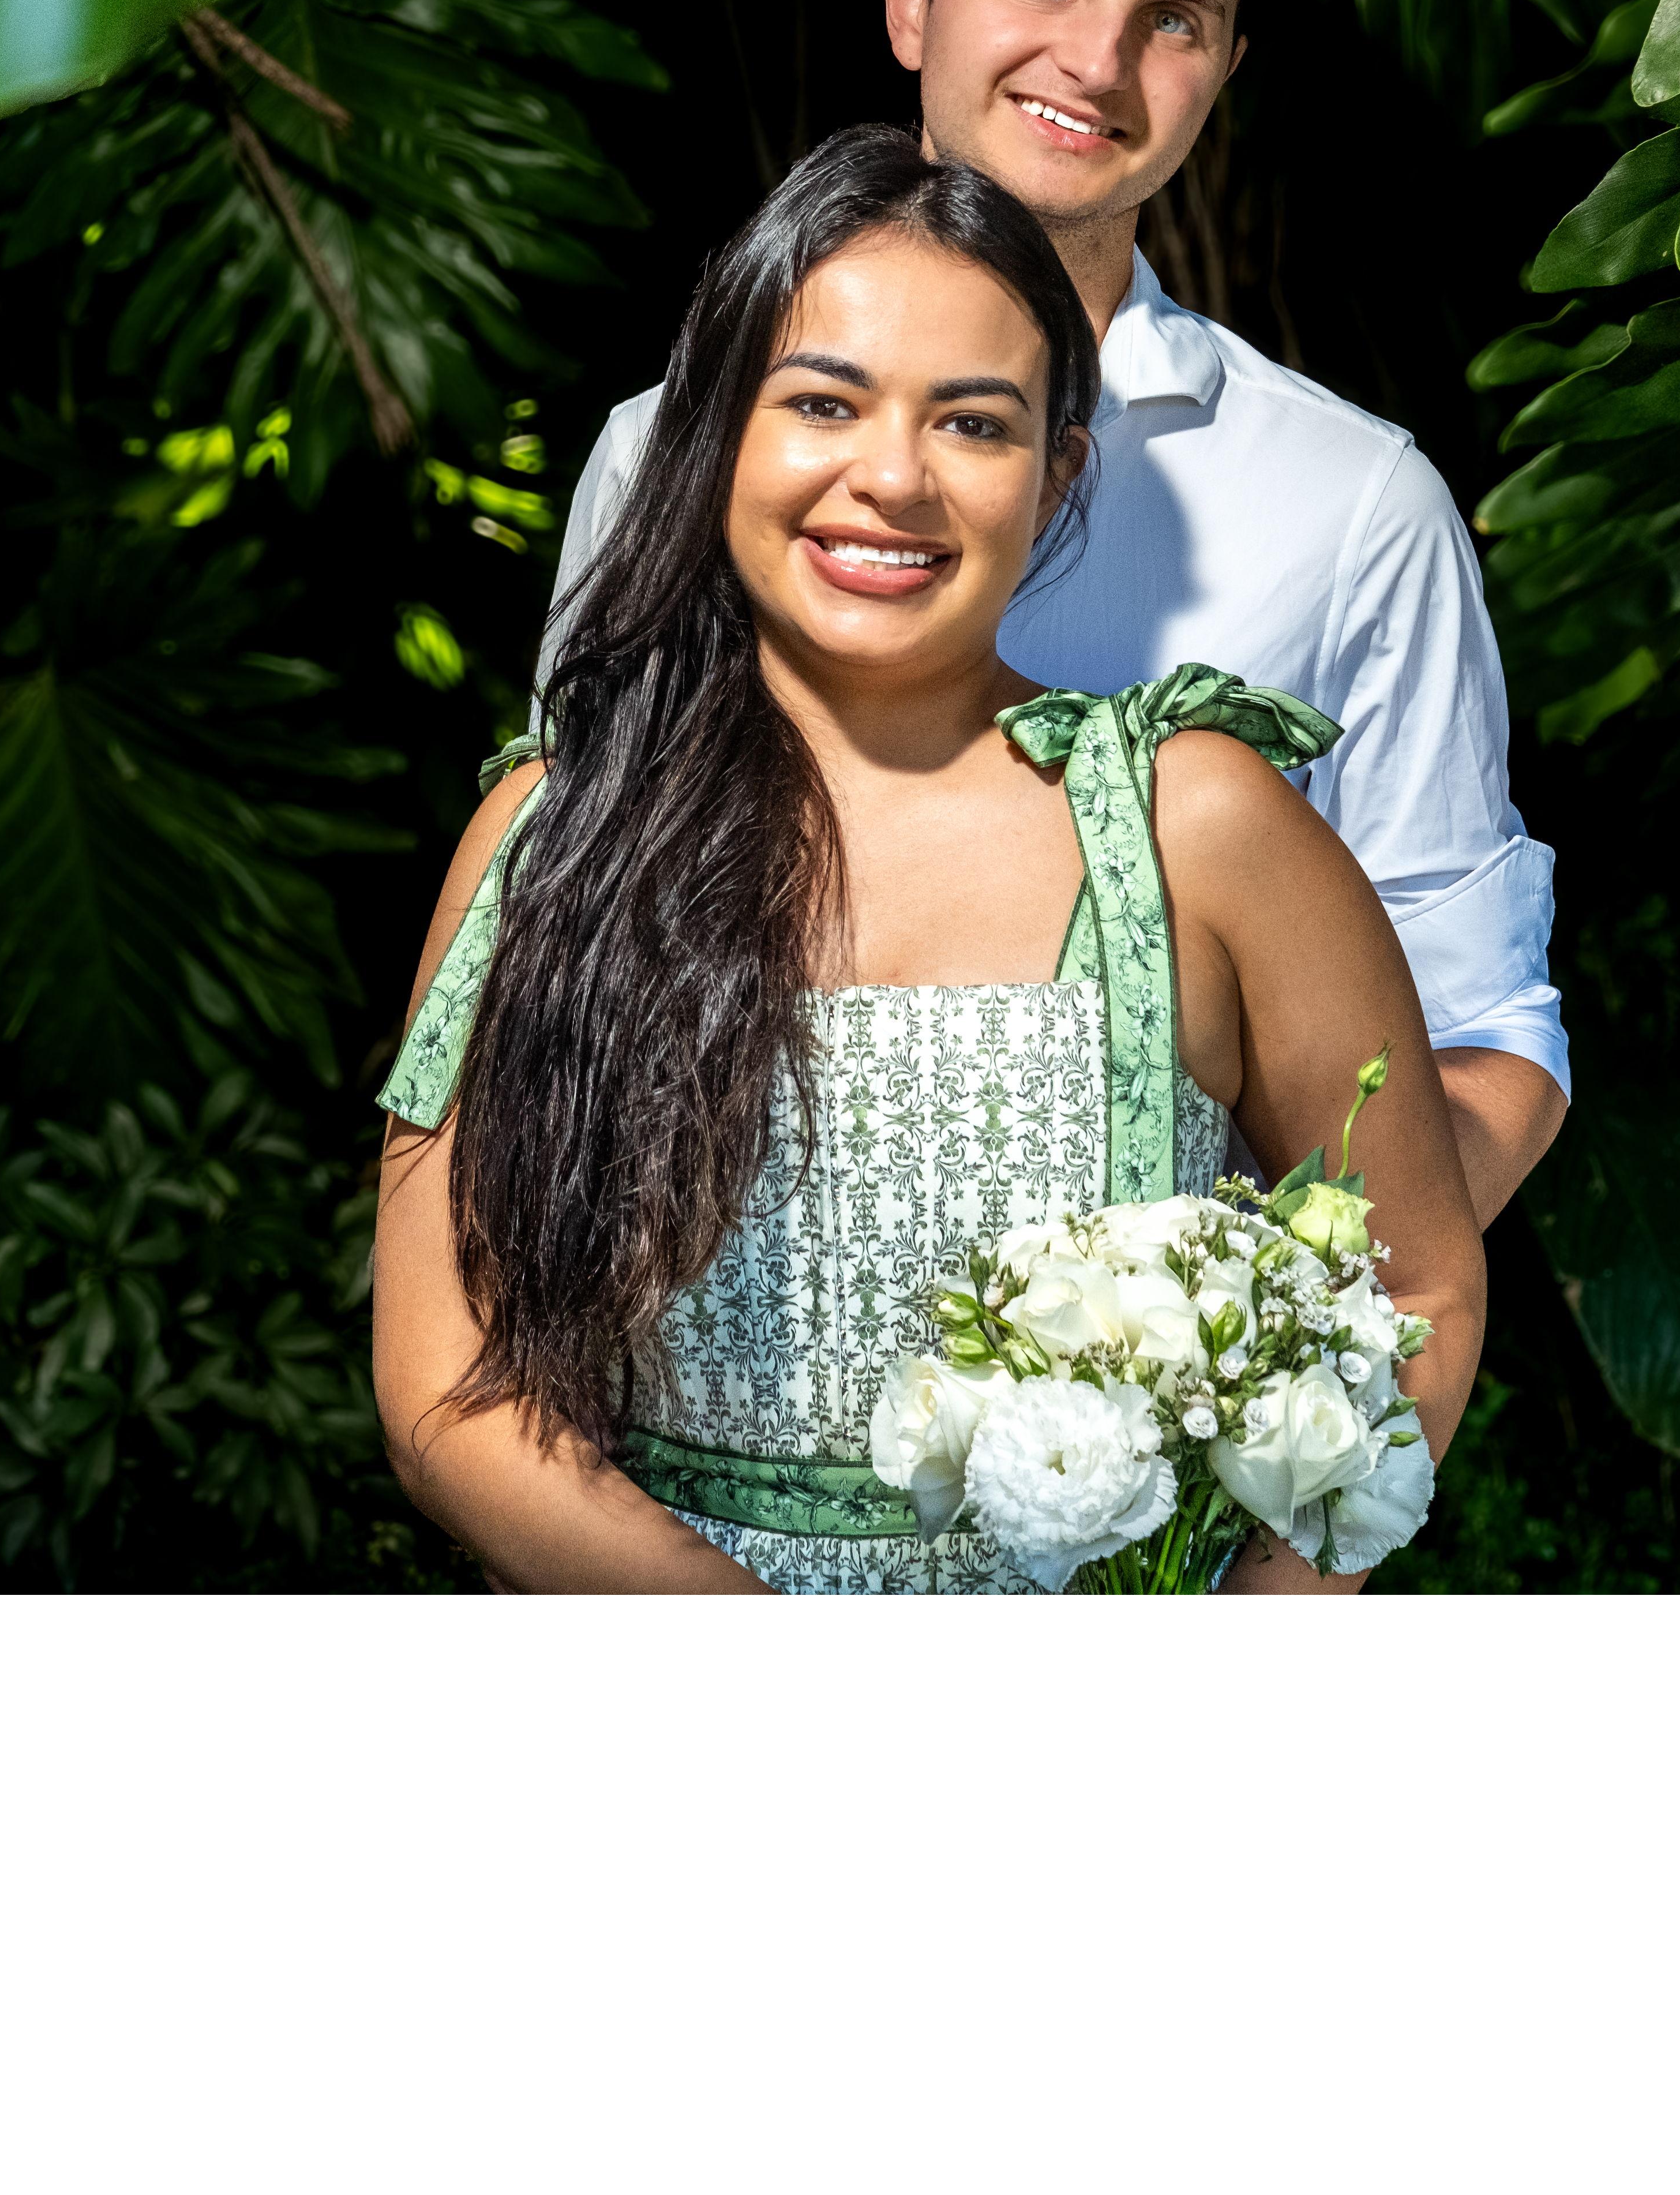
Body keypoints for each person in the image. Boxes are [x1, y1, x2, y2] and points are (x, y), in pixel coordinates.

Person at [373, 126, 1486, 1592]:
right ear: (714, 431)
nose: (892, 477)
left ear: (1057, 472)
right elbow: (446, 1392)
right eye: (822, 403)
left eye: (973, 424)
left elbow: (1421, 1288)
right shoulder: (552, 835)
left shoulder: (1195, 828)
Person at [547, 0, 1570, 1226]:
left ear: (1224, 70)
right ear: (913, 1)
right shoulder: (669, 455)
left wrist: (1243, 1325)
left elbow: (1477, 1035)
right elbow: (562, 951)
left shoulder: (1353, 507)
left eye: (1173, 22)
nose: (1096, 64)